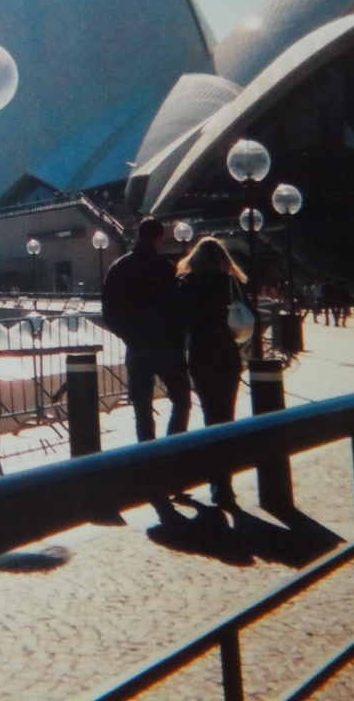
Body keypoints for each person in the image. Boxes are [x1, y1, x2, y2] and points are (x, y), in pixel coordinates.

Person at [101, 217, 190, 445]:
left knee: (142, 408)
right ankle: (173, 446)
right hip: (165, 347)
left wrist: (127, 335)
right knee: (182, 399)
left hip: (136, 348)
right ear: (159, 239)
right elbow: (179, 309)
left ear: (138, 236)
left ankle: (148, 453)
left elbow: (109, 313)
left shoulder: (119, 268)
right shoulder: (165, 268)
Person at [177, 237, 247, 508]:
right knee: (226, 416)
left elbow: (180, 322)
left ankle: (214, 478)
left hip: (201, 353)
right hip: (227, 352)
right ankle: (224, 484)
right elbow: (250, 315)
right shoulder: (230, 281)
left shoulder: (186, 283)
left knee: (210, 417)